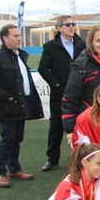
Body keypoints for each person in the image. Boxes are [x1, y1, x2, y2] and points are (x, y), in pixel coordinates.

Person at [0, 24, 43, 188]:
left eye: (19, 35)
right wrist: (7, 97)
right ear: (5, 39)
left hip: (20, 105)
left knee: (17, 138)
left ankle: (14, 169)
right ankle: (0, 172)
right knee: (7, 139)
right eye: (15, 36)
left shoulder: (20, 56)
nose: (19, 38)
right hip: (6, 106)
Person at [38, 15, 86, 172]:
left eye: (73, 24)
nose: (71, 27)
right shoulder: (50, 46)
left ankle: (81, 158)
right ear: (59, 28)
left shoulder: (82, 43)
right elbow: (43, 68)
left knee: (82, 126)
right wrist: (56, 84)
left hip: (79, 93)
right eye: (67, 25)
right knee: (56, 126)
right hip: (59, 94)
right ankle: (52, 158)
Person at [62, 25, 100, 140]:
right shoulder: (81, 65)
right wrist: (70, 130)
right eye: (98, 40)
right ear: (91, 43)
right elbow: (70, 98)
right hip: (89, 122)